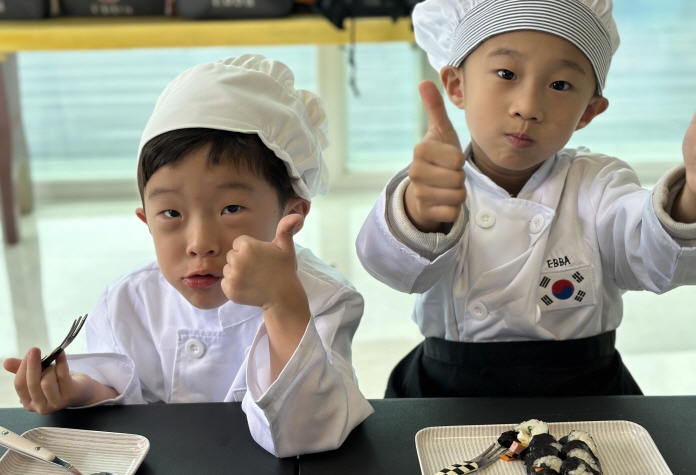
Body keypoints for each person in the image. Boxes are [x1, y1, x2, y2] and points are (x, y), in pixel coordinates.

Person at [4, 54, 374, 457]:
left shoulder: (324, 299)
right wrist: (72, 391)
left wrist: (282, 302)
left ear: (292, 213)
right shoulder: (126, 302)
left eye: (231, 209)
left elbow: (311, 431)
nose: (200, 242)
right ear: (146, 220)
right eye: (172, 213)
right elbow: (117, 389)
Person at [356, 0, 696, 398]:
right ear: (456, 86)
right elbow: (393, 270)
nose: (528, 107)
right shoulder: (434, 180)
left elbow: (655, 255)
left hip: (586, 395)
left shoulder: (599, 183)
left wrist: (690, 194)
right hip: (447, 393)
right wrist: (419, 213)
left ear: (589, 111)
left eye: (560, 85)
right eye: (506, 73)